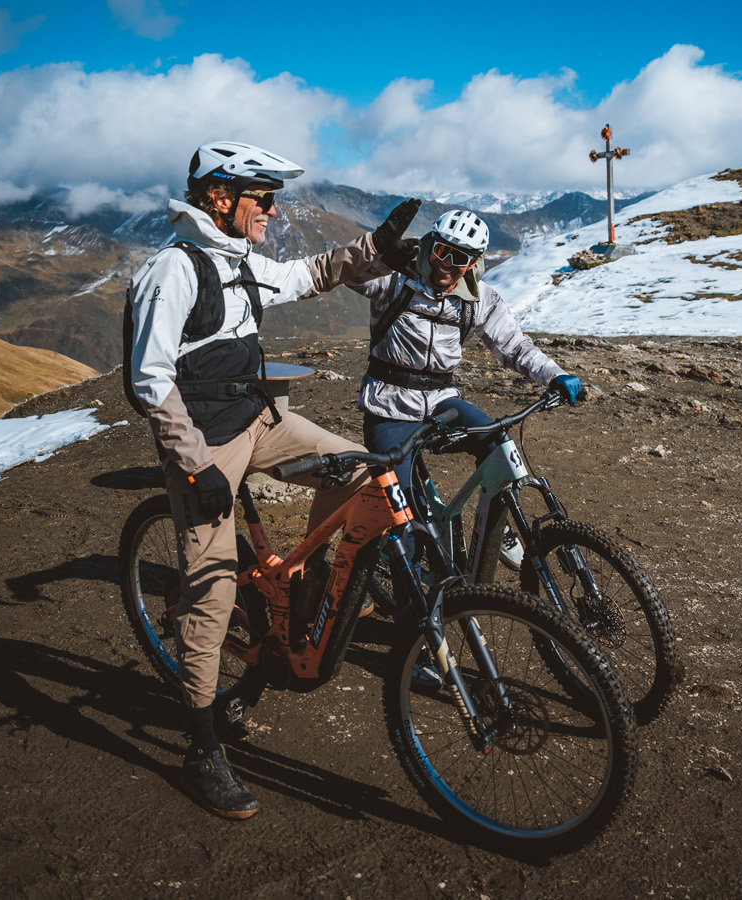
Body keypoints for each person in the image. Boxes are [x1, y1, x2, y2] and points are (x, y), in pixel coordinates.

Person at [125, 140, 419, 819]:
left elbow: (306, 275)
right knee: (210, 589)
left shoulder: (237, 259)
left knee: (362, 469)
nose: (274, 210)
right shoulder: (173, 269)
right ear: (220, 198)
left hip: (260, 418)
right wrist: (193, 464)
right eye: (263, 198)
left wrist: (373, 247)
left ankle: (302, 612)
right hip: (204, 439)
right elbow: (148, 378)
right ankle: (201, 749)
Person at [350, 210, 582, 559]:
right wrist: (379, 253)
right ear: (429, 244)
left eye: (460, 258)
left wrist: (554, 374)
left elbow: (515, 346)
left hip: (441, 401)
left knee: (498, 445)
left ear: (474, 262)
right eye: (441, 251)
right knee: (404, 521)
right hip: (389, 405)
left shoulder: (481, 299)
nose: (446, 264)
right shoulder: (394, 280)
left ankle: (495, 527)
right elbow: (346, 272)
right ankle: (407, 599)